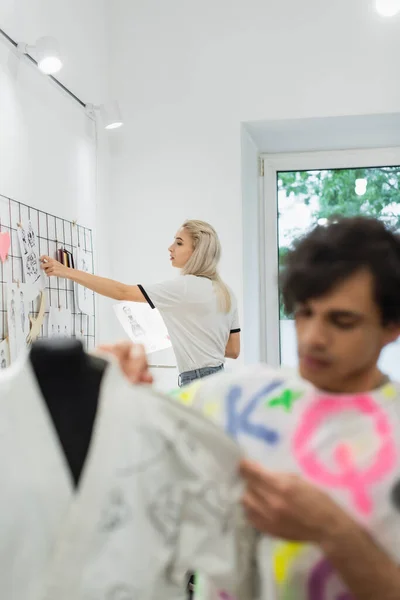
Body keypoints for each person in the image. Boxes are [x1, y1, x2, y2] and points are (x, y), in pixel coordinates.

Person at [169, 216, 400, 600]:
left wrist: (332, 530)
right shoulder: (242, 395)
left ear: (391, 326)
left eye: (341, 321)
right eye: (304, 314)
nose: (313, 338)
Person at [40, 220, 240, 386]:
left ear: (197, 251)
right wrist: (190, 337)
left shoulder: (184, 287)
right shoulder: (226, 292)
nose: (170, 248)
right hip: (220, 380)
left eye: (179, 243)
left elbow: (122, 292)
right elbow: (233, 351)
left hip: (197, 382)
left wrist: (65, 271)